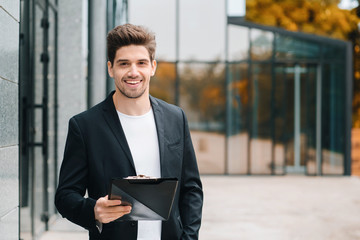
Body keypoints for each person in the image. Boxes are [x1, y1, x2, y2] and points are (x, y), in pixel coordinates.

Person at [55, 23, 203, 240]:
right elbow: (65, 196)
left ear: (152, 67)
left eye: (141, 63)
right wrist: (94, 210)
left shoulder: (176, 118)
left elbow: (191, 190)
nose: (133, 72)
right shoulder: (85, 126)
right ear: (110, 68)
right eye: (124, 63)